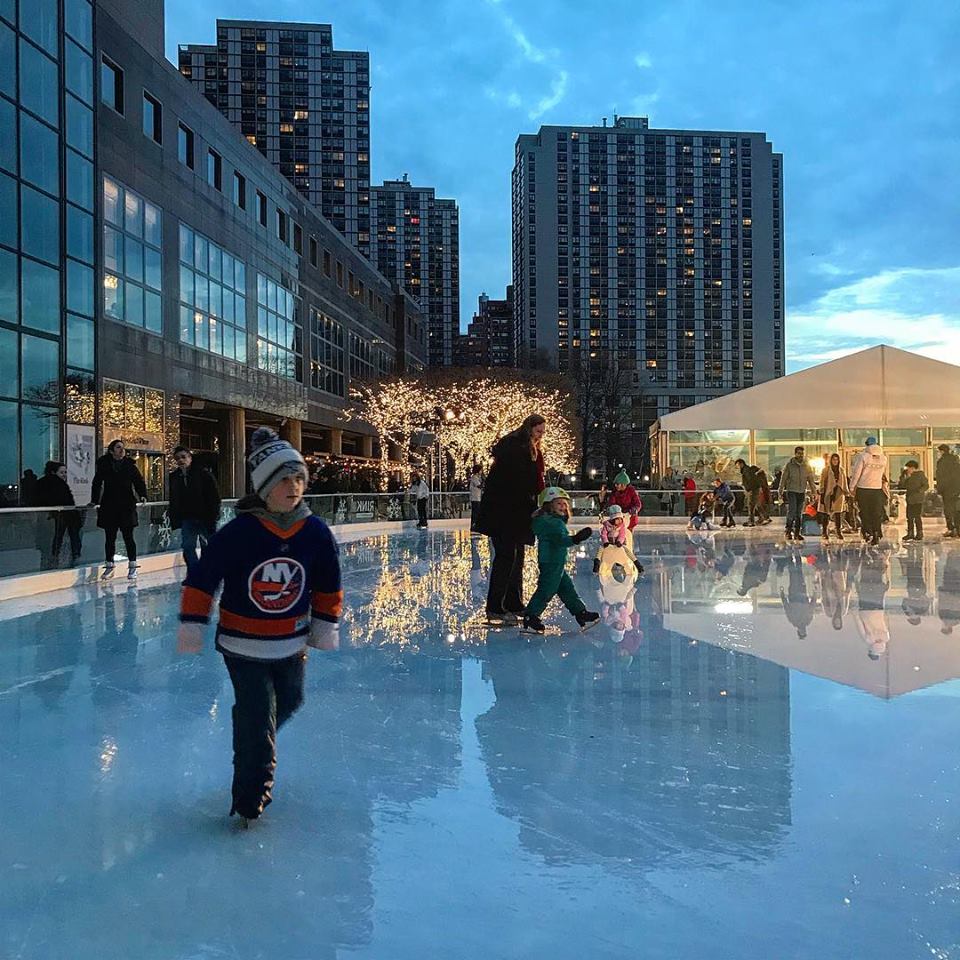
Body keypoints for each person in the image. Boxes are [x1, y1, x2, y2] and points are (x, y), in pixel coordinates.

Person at [177, 427, 342, 826]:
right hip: (243, 645)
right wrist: (193, 622)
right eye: (284, 479)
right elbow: (203, 576)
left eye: (299, 478)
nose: (294, 486)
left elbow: (328, 581)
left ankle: (254, 734)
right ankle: (251, 796)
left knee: (288, 702)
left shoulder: (315, 532)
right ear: (264, 486)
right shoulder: (239, 533)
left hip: (291, 641)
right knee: (256, 718)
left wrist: (324, 625)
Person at [477, 414, 546, 624]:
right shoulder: (517, 451)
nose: (540, 436)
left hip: (514, 513)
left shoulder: (524, 449)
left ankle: (513, 602)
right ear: (528, 429)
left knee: (517, 557)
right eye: (538, 431)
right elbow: (520, 482)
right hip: (505, 513)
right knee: (507, 557)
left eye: (543, 432)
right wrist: (533, 495)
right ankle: (495, 606)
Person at [521, 486, 598, 635]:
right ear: (549, 505)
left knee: (566, 589)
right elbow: (560, 540)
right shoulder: (551, 523)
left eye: (564, 504)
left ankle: (580, 612)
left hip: (555, 561)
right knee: (546, 589)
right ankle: (531, 615)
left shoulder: (552, 521)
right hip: (551, 561)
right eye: (559, 504)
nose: (563, 507)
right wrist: (576, 539)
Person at [91, 439, 148, 580]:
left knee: (129, 537)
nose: (122, 450)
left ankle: (133, 566)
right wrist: (94, 500)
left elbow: (139, 481)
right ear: (111, 450)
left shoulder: (130, 466)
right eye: (118, 447)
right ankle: (109, 566)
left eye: (123, 447)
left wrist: (143, 495)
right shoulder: (104, 465)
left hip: (126, 505)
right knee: (110, 538)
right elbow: (97, 483)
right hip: (109, 505)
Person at [169, 446, 221, 576]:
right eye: (177, 458)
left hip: (205, 517)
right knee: (188, 546)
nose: (181, 460)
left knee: (209, 546)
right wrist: (175, 519)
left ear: (190, 458)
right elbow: (174, 499)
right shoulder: (175, 477)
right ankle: (195, 573)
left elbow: (214, 496)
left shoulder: (203, 474)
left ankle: (208, 572)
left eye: (183, 457)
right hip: (188, 518)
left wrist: (213, 515)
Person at [33, 461, 82, 568]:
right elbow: (66, 500)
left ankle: (54, 558)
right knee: (68, 536)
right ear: (53, 472)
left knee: (58, 537)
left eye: (65, 472)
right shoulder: (59, 484)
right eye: (62, 472)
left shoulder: (42, 483)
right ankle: (73, 556)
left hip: (55, 516)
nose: (64, 475)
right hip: (63, 515)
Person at [848, 437, 888, 547]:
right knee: (876, 513)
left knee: (865, 512)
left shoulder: (863, 456)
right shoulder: (883, 458)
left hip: (863, 488)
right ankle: (876, 533)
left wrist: (851, 488)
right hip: (877, 489)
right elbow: (882, 474)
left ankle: (868, 532)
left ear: (867, 444)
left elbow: (856, 473)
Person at [778, 447, 817, 542]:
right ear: (795, 454)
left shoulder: (806, 466)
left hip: (801, 491)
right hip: (791, 491)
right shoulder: (789, 465)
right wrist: (780, 490)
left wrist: (814, 491)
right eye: (799, 453)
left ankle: (797, 532)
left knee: (799, 513)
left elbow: (811, 480)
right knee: (792, 511)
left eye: (802, 454)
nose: (801, 455)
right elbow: (783, 479)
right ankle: (788, 530)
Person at [594, 504, 643, 575]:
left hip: (619, 542)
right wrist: (605, 542)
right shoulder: (606, 525)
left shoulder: (621, 526)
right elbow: (603, 534)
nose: (620, 521)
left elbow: (622, 535)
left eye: (621, 519)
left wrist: (619, 541)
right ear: (613, 519)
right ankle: (596, 565)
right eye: (618, 519)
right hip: (609, 542)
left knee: (627, 551)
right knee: (600, 550)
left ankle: (638, 565)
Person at [818, 453, 849, 541]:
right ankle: (824, 531)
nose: (835, 461)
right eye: (833, 459)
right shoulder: (826, 470)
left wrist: (846, 493)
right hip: (828, 493)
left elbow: (844, 482)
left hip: (838, 493)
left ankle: (838, 531)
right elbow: (822, 481)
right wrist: (822, 492)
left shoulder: (841, 470)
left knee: (838, 513)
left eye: (836, 460)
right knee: (826, 513)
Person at [935, 443, 960, 538]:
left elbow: (941, 477)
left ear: (942, 451)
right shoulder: (956, 461)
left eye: (938, 451)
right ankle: (958, 529)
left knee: (948, 509)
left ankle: (951, 528)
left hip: (947, 489)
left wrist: (939, 489)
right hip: (956, 489)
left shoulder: (942, 462)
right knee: (957, 510)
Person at [901, 459, 929, 542]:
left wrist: (920, 491)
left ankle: (919, 533)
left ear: (913, 468)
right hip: (910, 499)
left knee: (917, 517)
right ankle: (910, 533)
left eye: (909, 468)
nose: (908, 469)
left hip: (917, 499)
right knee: (909, 517)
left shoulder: (920, 475)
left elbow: (926, 485)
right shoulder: (907, 476)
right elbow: (902, 485)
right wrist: (905, 477)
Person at [735, 459, 762, 526]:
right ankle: (761, 518)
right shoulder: (745, 470)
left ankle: (751, 521)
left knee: (751, 505)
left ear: (741, 464)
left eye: (738, 465)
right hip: (753, 489)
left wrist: (748, 488)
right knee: (753, 505)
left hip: (752, 489)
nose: (738, 467)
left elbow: (750, 479)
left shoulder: (746, 470)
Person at [468, 465, 483, 533]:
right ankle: (473, 526)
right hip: (475, 498)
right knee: (475, 513)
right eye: (480, 470)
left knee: (477, 512)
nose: (481, 471)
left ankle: (475, 525)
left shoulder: (477, 477)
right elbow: (479, 485)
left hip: (477, 498)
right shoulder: (474, 477)